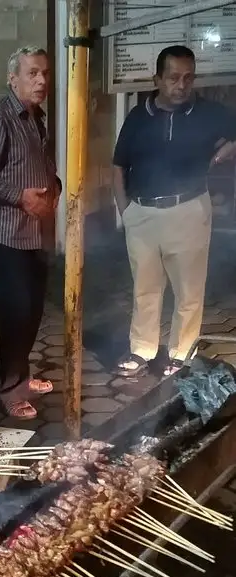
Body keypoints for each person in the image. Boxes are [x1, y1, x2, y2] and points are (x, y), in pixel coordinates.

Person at [113, 45, 236, 378]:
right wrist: (126, 213)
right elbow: (118, 167)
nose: (181, 85)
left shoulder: (209, 113)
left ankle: (181, 353)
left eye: (188, 78)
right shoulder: (138, 117)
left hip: (189, 210)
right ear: (158, 79)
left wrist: (227, 148)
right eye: (173, 78)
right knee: (145, 289)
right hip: (143, 214)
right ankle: (142, 350)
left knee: (189, 290)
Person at [0, 46, 62, 420]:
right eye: (33, 73)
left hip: (35, 233)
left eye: (46, 74)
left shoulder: (36, 118)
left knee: (33, 309)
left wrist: (53, 185)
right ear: (12, 78)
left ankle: (22, 374)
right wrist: (18, 197)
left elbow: (39, 166)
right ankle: (8, 388)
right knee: (16, 310)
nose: (41, 81)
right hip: (6, 235)